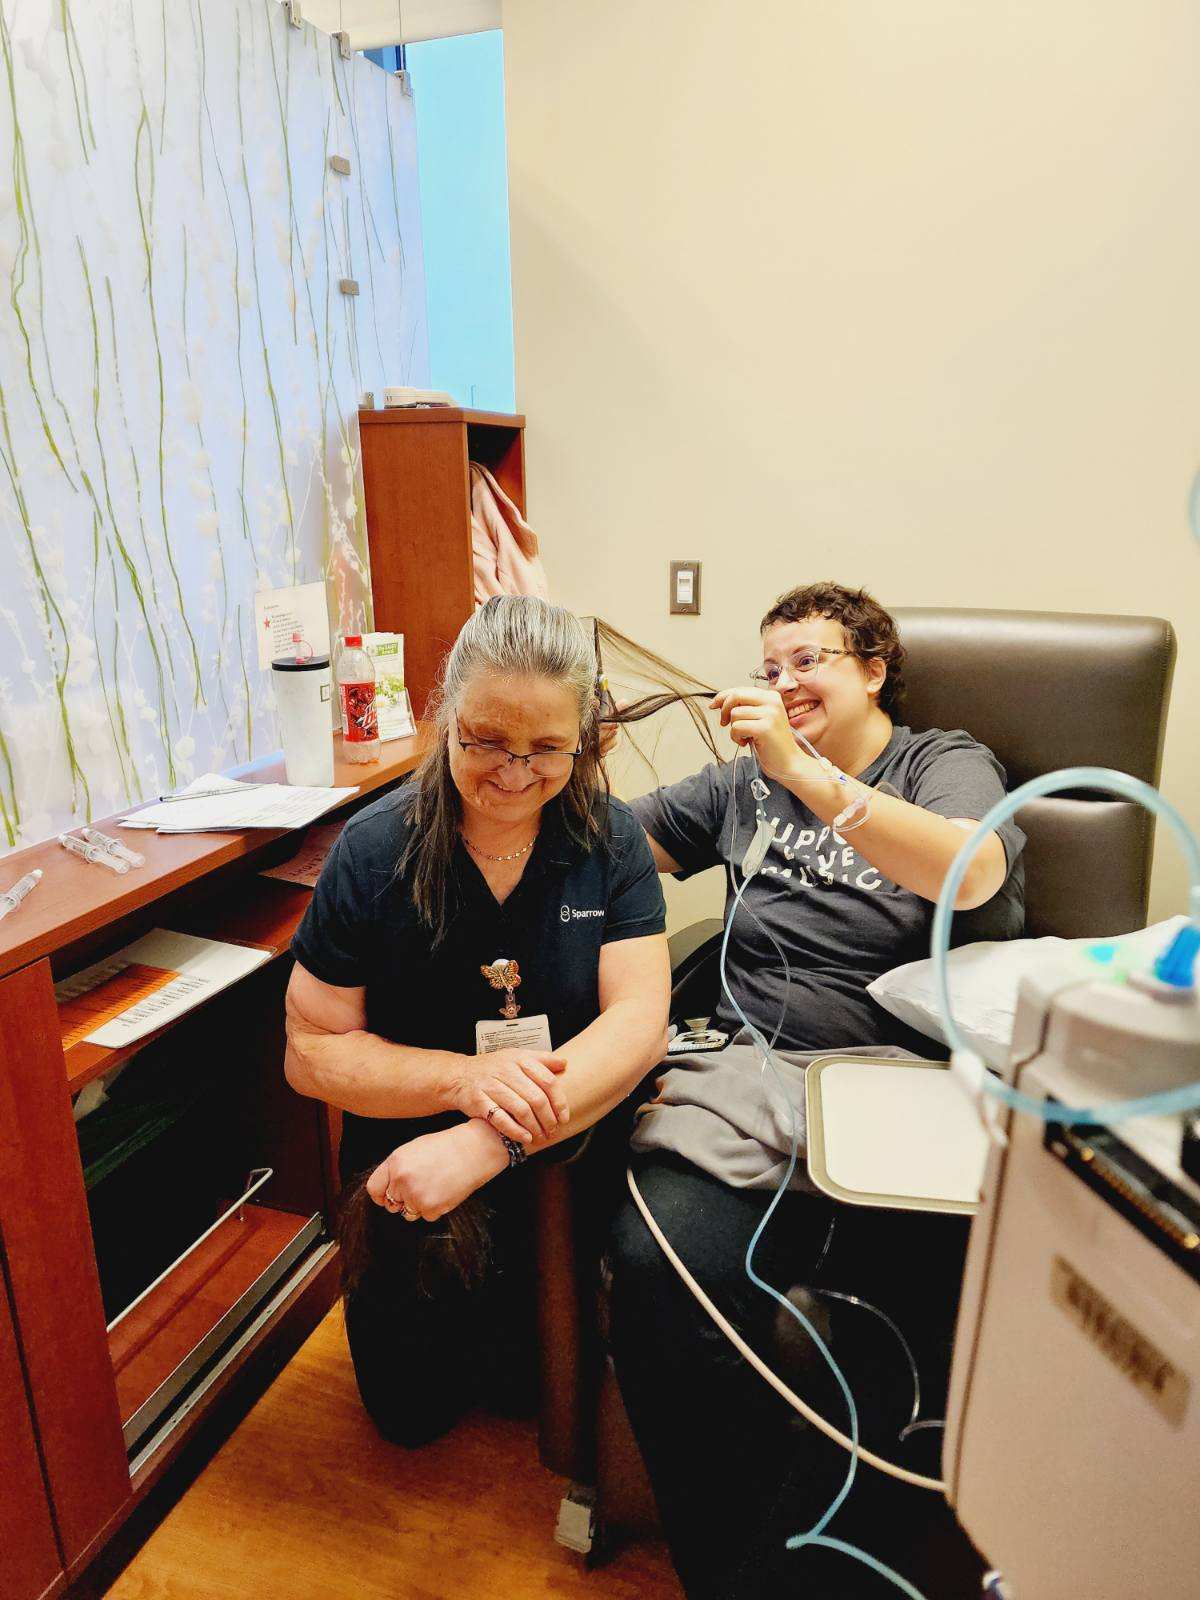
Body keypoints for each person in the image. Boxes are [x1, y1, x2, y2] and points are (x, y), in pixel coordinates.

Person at [606, 582, 1026, 1599]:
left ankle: (878, 1562)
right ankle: (740, 1569)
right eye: (770, 666)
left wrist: (806, 771)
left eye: (810, 660)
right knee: (653, 1270)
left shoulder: (943, 762)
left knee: (911, 1330)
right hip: (748, 1084)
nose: (784, 681)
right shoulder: (741, 788)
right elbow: (612, 847)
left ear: (873, 669)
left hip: (900, 1094)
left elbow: (969, 874)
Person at [284, 595, 669, 1448]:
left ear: (584, 736)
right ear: (444, 713)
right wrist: (463, 1082)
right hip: (410, 1167)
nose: (514, 772)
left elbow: (638, 1021)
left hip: (561, 1157)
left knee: (532, 1397)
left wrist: (491, 1139)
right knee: (407, 1418)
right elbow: (311, 1050)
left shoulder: (609, 844)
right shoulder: (375, 851)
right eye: (485, 740)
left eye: (547, 749)